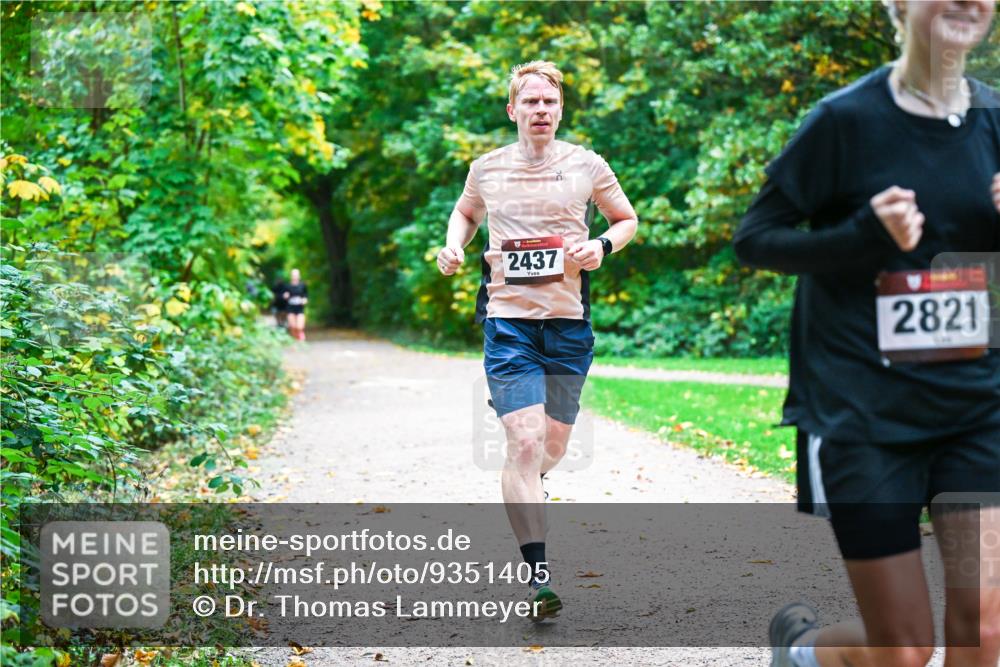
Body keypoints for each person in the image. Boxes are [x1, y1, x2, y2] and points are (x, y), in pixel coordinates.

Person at [733, 1, 1000, 666]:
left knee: (986, 629)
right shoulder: (845, 121)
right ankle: (800, 651)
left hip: (975, 410)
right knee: (905, 651)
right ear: (898, 4)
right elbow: (755, 240)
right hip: (863, 412)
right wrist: (860, 238)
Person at [436, 61, 638, 620]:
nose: (541, 111)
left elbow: (627, 220)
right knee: (523, 443)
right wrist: (453, 246)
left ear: (560, 109)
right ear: (513, 110)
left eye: (549, 102)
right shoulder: (488, 168)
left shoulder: (587, 165)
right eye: (530, 102)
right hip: (507, 322)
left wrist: (602, 246)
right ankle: (539, 579)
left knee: (550, 449)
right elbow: (465, 213)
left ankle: (526, 478)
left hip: (569, 325)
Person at [283, 269, 309, 341]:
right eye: (293, 275)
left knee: (299, 327)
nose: (295, 276)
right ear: (291, 276)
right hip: (290, 308)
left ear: (299, 276)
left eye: (296, 275)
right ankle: (295, 339)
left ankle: (300, 335)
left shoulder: (302, 285)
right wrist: (285, 295)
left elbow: (306, 296)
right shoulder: (287, 286)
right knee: (293, 326)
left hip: (300, 308)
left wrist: (304, 300)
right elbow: (284, 295)